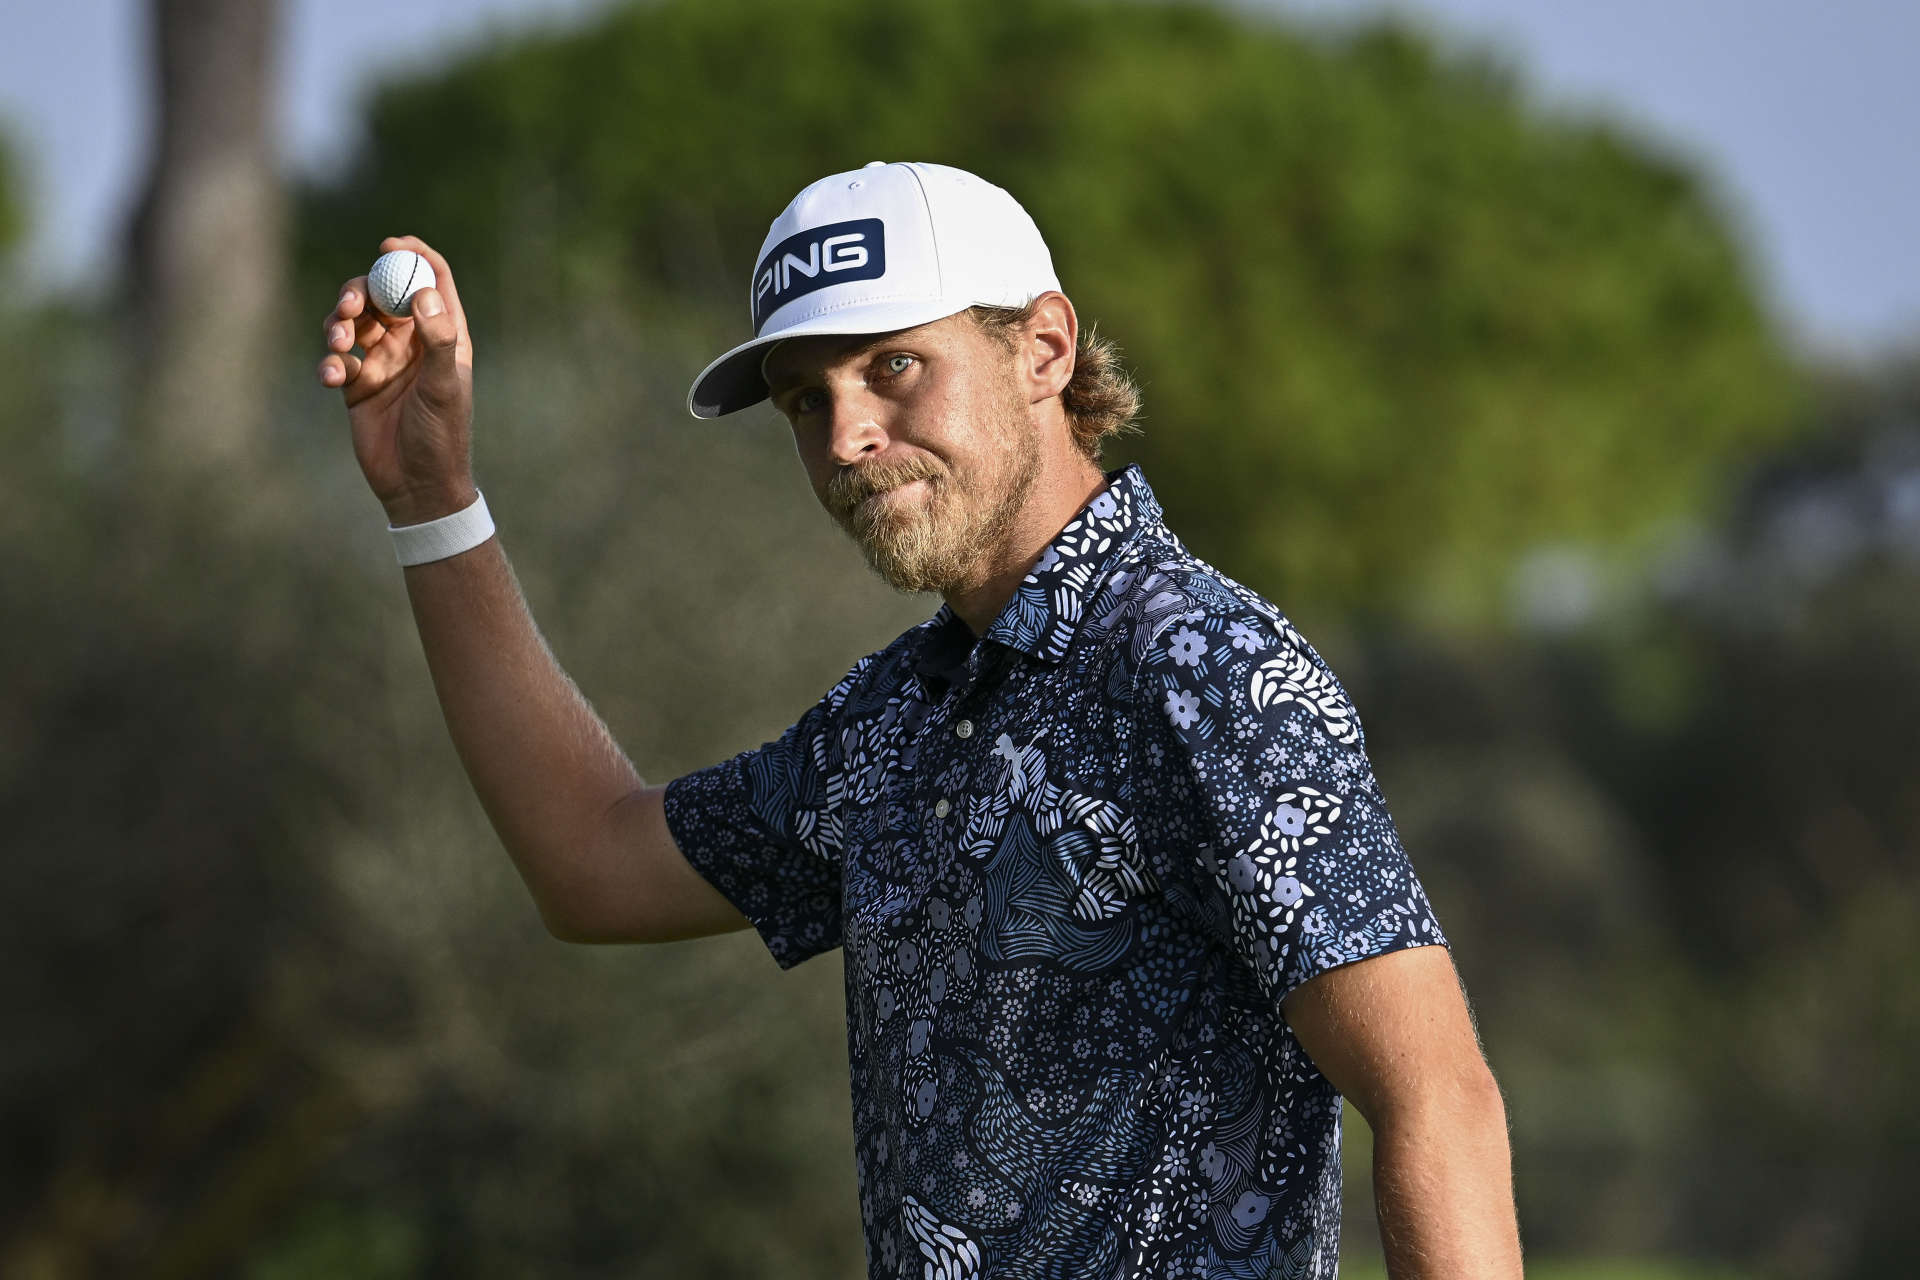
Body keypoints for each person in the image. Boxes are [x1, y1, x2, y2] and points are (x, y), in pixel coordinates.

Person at [318, 161, 1523, 1279]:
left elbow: (1438, 1099)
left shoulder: (1202, 667)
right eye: (804, 399)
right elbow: (591, 863)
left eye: (892, 365)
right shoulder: (900, 715)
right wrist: (434, 498)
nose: (844, 437)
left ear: (1044, 348)